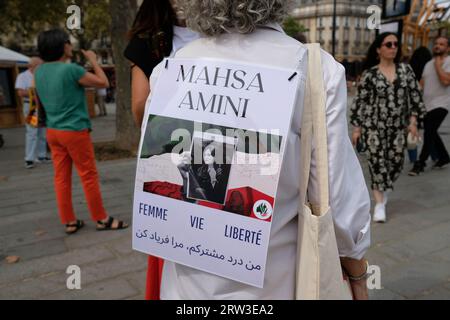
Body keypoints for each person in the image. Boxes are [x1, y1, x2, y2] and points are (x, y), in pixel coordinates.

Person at [149, 0, 371, 300]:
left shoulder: (172, 67)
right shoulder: (314, 69)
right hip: (276, 285)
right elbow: (337, 205)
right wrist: (357, 272)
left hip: (185, 288)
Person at [124, 0, 200, 301]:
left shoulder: (223, 35)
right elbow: (139, 109)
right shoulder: (148, 42)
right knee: (171, 237)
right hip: (170, 154)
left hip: (211, 153)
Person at [34, 29, 128, 235]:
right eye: (68, 42)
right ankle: (101, 218)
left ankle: (69, 221)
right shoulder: (71, 70)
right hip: (74, 130)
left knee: (61, 177)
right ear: (62, 46)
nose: (70, 45)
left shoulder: (39, 71)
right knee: (88, 175)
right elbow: (102, 82)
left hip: (53, 130)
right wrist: (94, 60)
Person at [350, 32, 426, 223]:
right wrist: (357, 129)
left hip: (398, 128)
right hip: (373, 127)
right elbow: (360, 102)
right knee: (377, 164)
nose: (393, 47)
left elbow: (415, 97)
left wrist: (413, 122)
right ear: (378, 49)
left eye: (395, 44)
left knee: (396, 164)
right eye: (388, 44)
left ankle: (383, 192)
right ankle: (379, 204)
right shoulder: (370, 74)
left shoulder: (405, 71)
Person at [409, 36, 450, 176]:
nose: (437, 46)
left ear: (448, 48)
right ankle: (444, 157)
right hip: (427, 105)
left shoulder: (448, 62)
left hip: (442, 104)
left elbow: (445, 81)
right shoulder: (428, 64)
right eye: (436, 43)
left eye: (441, 44)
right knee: (431, 131)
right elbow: (422, 84)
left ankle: (420, 163)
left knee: (429, 132)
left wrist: (438, 65)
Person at [15, 57, 50, 169]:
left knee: (42, 132)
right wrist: (35, 91)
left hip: (42, 105)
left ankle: (41, 156)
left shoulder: (42, 75)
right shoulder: (22, 76)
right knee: (32, 133)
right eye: (40, 65)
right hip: (32, 105)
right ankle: (29, 159)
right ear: (33, 66)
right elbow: (20, 92)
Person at [407, 46, 433, 163]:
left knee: (412, 131)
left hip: (412, 105)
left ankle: (413, 158)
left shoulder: (410, 69)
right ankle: (435, 155)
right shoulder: (430, 67)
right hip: (428, 103)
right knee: (430, 132)